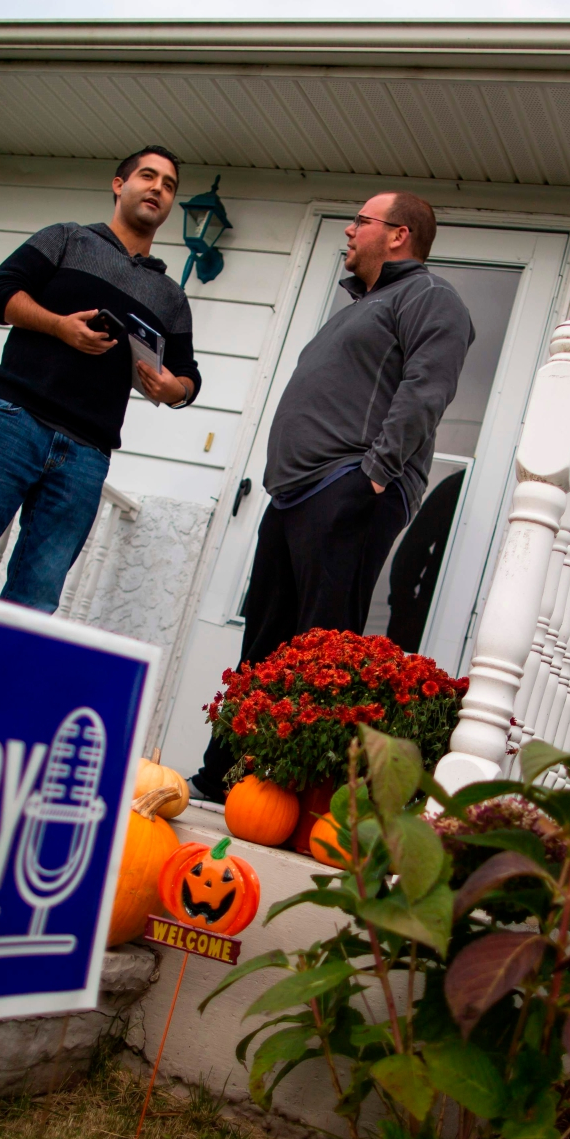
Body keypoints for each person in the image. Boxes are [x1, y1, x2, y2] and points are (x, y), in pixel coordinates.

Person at [196, 191, 473, 798]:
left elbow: (427, 388)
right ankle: (223, 778)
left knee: (323, 650)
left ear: (398, 234)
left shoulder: (429, 296)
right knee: (264, 642)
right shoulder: (363, 305)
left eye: (361, 221)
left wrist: (375, 473)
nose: (349, 231)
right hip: (295, 494)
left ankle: (299, 796)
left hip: (348, 486)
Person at [0, 146, 202, 611]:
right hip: (11, 422)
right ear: (119, 185)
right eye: (148, 176)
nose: (158, 188)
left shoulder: (170, 296)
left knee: (37, 599)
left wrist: (171, 389)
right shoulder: (66, 238)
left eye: (169, 185)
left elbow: (188, 376)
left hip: (86, 457)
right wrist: (59, 326)